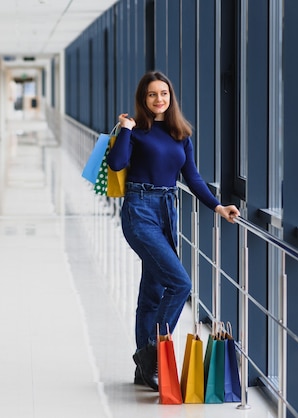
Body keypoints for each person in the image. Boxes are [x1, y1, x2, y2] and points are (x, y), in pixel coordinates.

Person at [106, 71, 239, 391]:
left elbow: (192, 178)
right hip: (139, 210)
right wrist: (125, 129)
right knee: (180, 283)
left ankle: (143, 365)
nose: (159, 99)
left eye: (163, 93)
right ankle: (153, 355)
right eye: (152, 94)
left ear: (170, 96)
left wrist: (218, 207)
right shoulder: (135, 132)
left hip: (167, 211)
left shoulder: (181, 135)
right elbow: (116, 164)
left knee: (152, 292)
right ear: (143, 99)